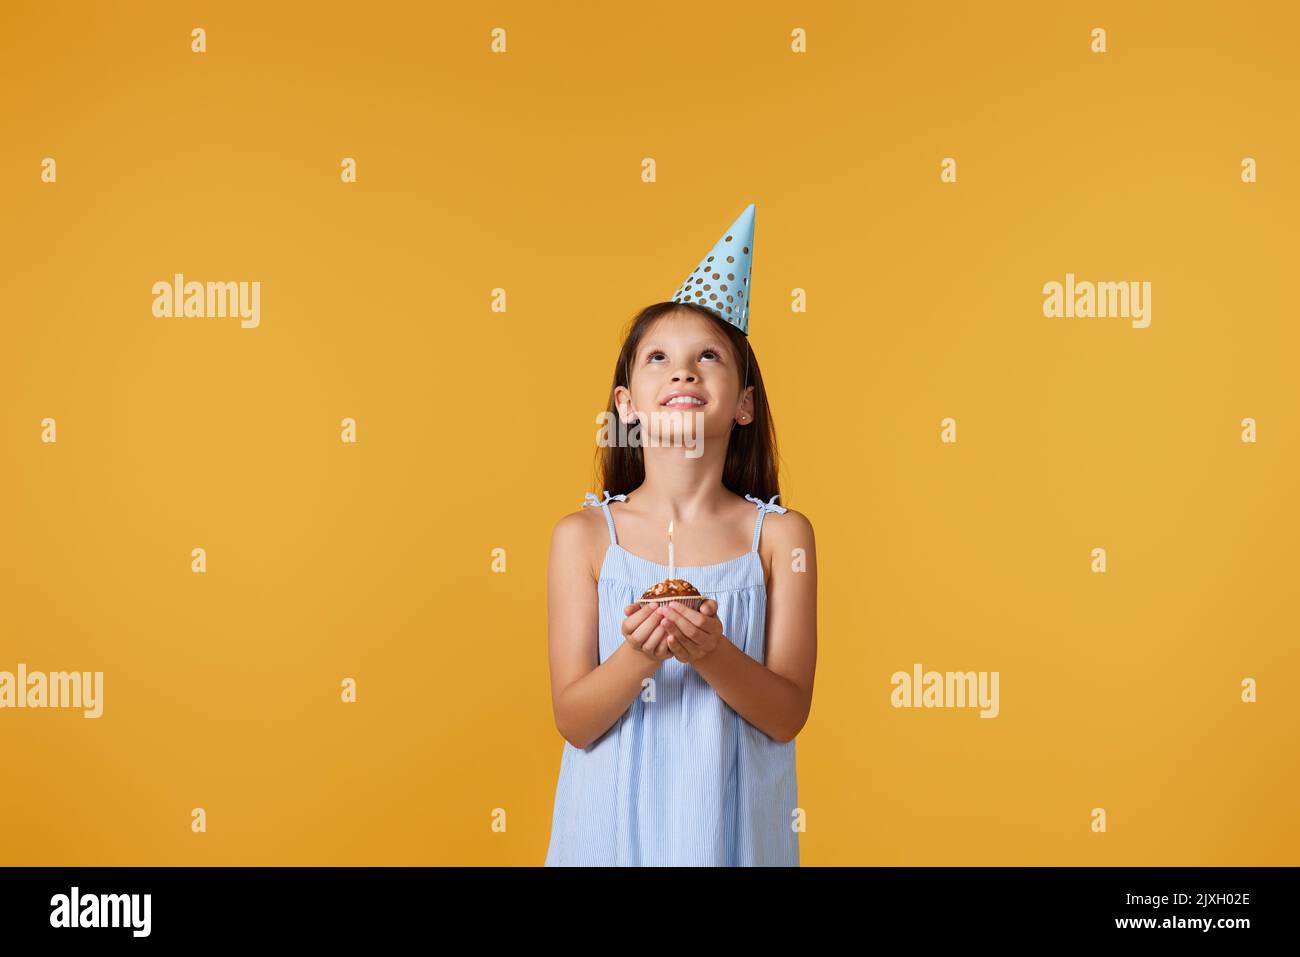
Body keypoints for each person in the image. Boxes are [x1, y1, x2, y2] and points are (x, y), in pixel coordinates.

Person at [544, 204, 818, 865]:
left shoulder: (782, 538)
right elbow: (575, 720)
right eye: (659, 357)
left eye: (709, 356)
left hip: (735, 836)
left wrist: (711, 652)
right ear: (627, 405)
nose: (684, 371)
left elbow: (786, 714)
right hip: (608, 837)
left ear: (744, 403)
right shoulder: (583, 538)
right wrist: (642, 655)